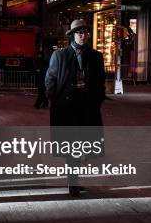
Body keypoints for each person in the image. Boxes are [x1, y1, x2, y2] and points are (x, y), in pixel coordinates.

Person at [45, 19, 106, 197]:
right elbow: (50, 79)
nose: (82, 35)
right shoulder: (60, 55)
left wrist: (97, 100)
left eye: (85, 32)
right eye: (79, 32)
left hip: (87, 108)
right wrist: (55, 100)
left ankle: (76, 180)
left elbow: (100, 81)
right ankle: (73, 182)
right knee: (72, 148)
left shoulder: (96, 56)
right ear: (72, 35)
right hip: (66, 108)